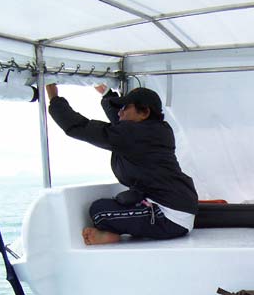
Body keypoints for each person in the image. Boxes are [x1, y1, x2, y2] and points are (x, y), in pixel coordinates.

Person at [45, 83, 198, 245]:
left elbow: (79, 126)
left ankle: (113, 235)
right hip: (179, 207)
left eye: (125, 108)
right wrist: (106, 93)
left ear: (145, 112)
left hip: (170, 217)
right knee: (110, 204)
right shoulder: (158, 130)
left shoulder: (135, 134)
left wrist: (54, 98)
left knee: (99, 213)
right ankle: (118, 231)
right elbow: (120, 122)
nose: (120, 112)